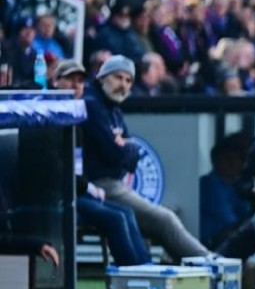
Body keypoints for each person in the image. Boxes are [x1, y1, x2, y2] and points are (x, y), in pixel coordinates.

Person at [81, 54, 210, 262]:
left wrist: (124, 146)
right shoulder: (92, 104)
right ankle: (210, 263)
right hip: (97, 185)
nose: (123, 85)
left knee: (163, 220)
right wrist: (122, 147)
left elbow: (131, 160)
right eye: (118, 78)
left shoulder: (113, 109)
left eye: (128, 80)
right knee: (165, 219)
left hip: (114, 183)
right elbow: (113, 153)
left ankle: (196, 268)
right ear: (102, 77)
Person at [53, 59, 150, 266]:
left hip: (76, 192)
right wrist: (88, 186)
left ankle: (145, 272)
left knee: (125, 212)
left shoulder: (76, 120)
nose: (76, 85)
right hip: (55, 196)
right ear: (55, 82)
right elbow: (55, 169)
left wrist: (85, 186)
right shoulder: (49, 118)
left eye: (80, 81)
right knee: (115, 218)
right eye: (70, 79)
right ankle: (134, 277)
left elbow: (127, 158)